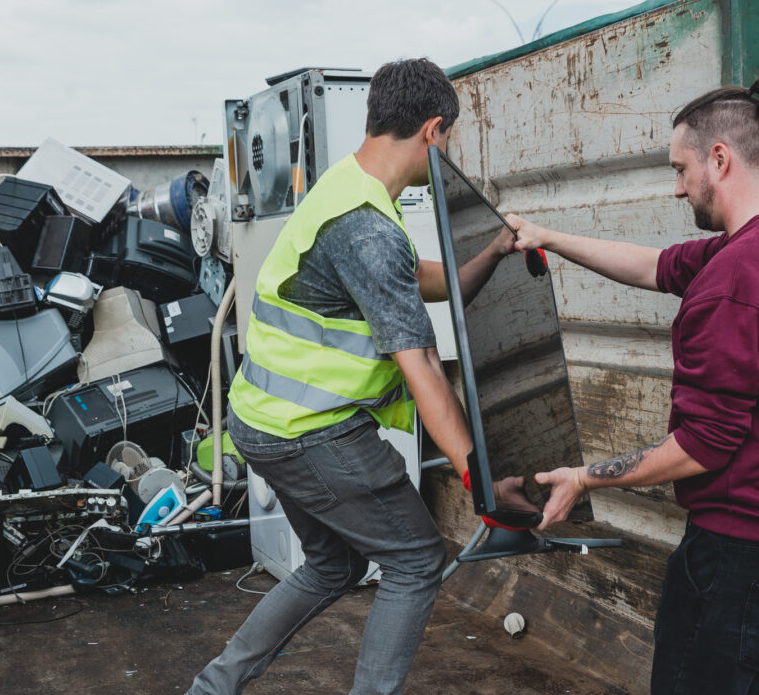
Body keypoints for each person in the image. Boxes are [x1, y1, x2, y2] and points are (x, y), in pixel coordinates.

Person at [186, 58, 520, 695]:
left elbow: (432, 282)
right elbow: (422, 367)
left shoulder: (349, 187)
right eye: (448, 138)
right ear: (433, 130)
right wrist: (480, 478)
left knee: (331, 566)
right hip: (308, 432)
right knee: (416, 560)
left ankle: (213, 688)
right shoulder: (368, 229)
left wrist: (496, 251)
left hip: (262, 419)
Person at [508, 76, 759, 694]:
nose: (676, 186)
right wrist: (548, 236)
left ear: (719, 159)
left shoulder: (739, 280)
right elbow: (652, 266)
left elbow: (701, 446)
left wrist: (584, 478)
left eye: (679, 169)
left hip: (742, 549)